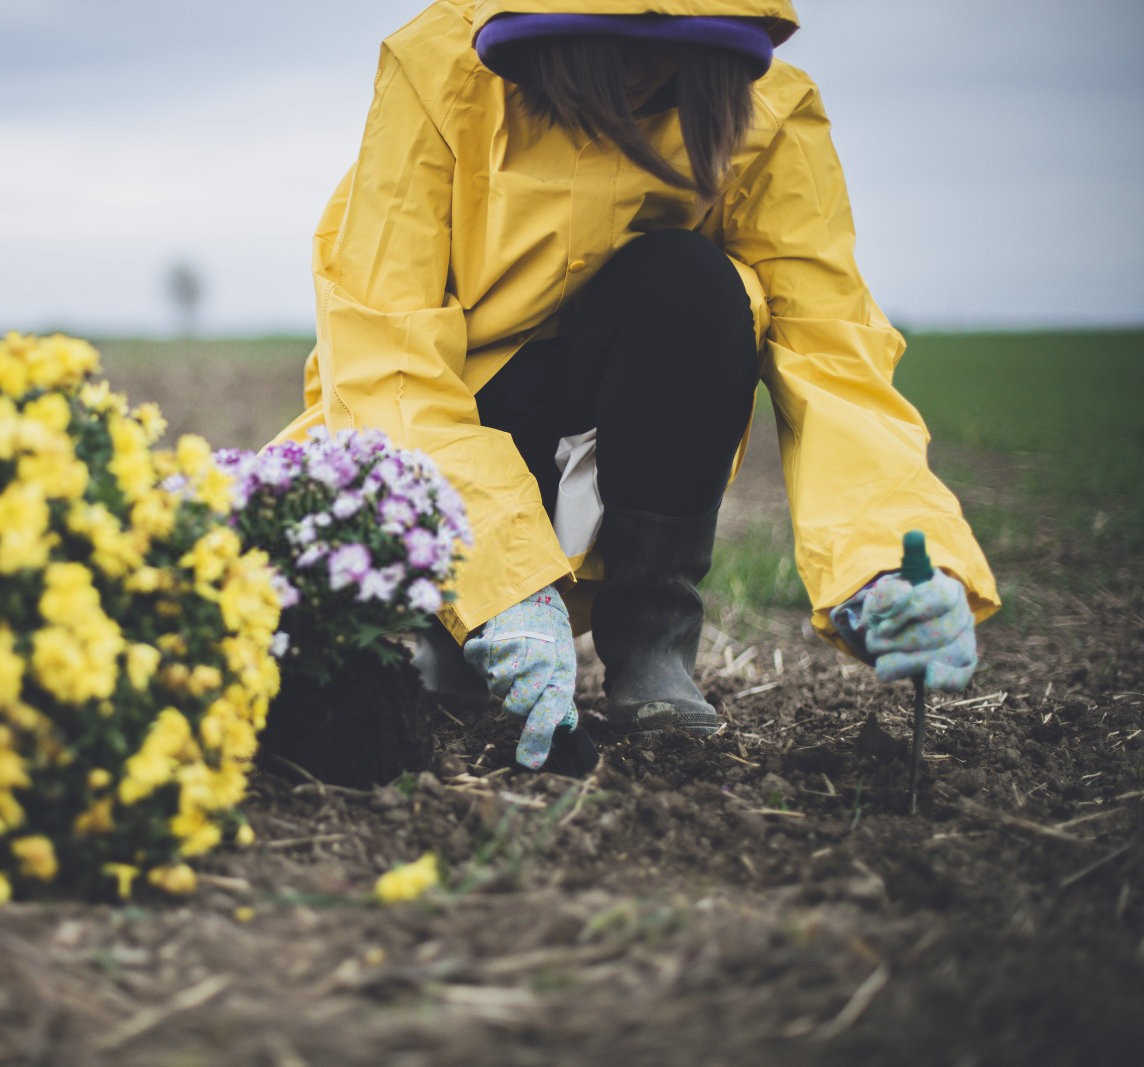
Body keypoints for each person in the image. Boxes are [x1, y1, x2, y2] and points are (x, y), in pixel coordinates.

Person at [273, 1, 998, 773]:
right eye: (612, 52)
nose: (639, 76)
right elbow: (387, 361)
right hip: (469, 413)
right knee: (464, 418)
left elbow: (831, 353)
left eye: (663, 56)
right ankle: (454, 630)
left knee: (695, 286)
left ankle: (654, 635)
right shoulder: (436, 72)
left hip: (625, 403)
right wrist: (498, 584)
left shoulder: (770, 113)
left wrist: (882, 556)